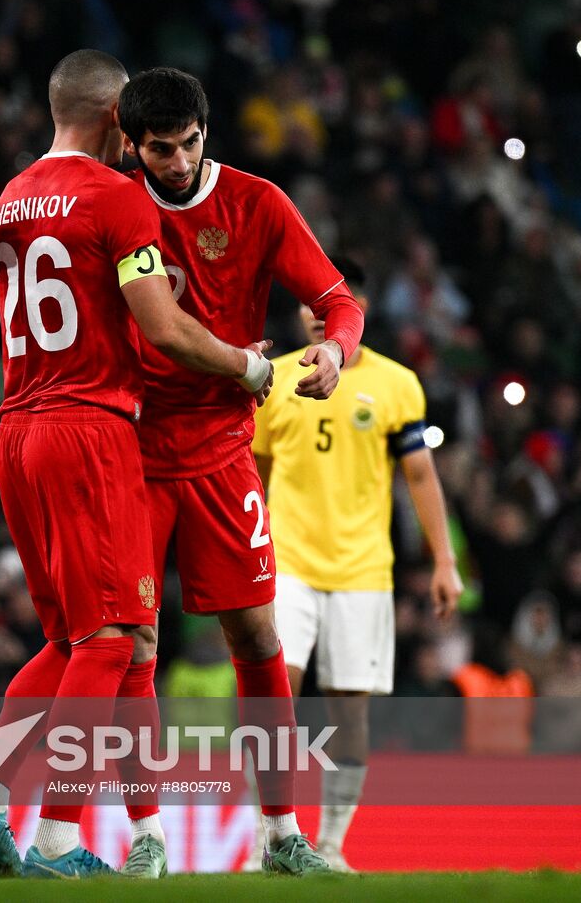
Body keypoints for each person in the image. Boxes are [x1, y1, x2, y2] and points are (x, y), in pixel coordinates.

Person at [0, 50, 275, 879]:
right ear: (117, 120)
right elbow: (163, 332)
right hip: (86, 430)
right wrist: (248, 366)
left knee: (75, 640)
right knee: (116, 634)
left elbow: (22, 289)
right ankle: (54, 837)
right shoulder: (121, 198)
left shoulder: (14, 195)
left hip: (16, 429)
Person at [115, 67, 366, 876]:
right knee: (133, 646)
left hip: (223, 450)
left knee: (257, 637)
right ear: (132, 146)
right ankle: (147, 837)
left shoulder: (256, 203)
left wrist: (332, 349)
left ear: (205, 132)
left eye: (190, 144)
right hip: (133, 451)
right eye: (162, 149)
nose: (180, 162)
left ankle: (281, 835)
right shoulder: (112, 206)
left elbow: (340, 301)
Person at [250, 258, 462, 871]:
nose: (317, 317)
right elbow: (254, 478)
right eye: (308, 306)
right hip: (285, 563)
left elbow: (419, 474)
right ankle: (272, 839)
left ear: (357, 314)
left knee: (349, 710)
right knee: (274, 697)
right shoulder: (273, 378)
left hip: (364, 572)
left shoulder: (398, 386)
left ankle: (334, 845)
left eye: (332, 306)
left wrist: (444, 561)